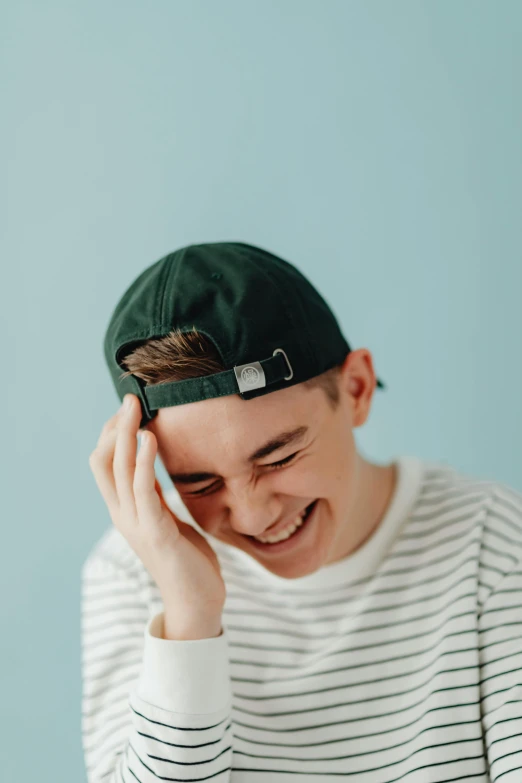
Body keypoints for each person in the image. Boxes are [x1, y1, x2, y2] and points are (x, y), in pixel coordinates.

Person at [83, 241, 522, 783]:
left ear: (356, 389)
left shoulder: (492, 543)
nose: (250, 516)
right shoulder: (130, 576)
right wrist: (191, 616)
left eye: (279, 457)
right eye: (198, 482)